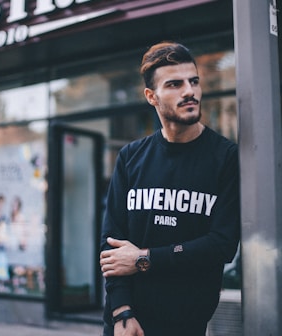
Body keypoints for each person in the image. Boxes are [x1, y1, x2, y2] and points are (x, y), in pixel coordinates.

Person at [99, 41, 240, 336]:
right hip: (127, 323)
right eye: (175, 84)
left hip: (185, 323)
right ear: (151, 96)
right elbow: (111, 246)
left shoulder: (225, 157)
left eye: (194, 81)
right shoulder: (131, 157)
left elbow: (222, 245)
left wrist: (143, 259)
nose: (189, 91)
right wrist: (121, 312)